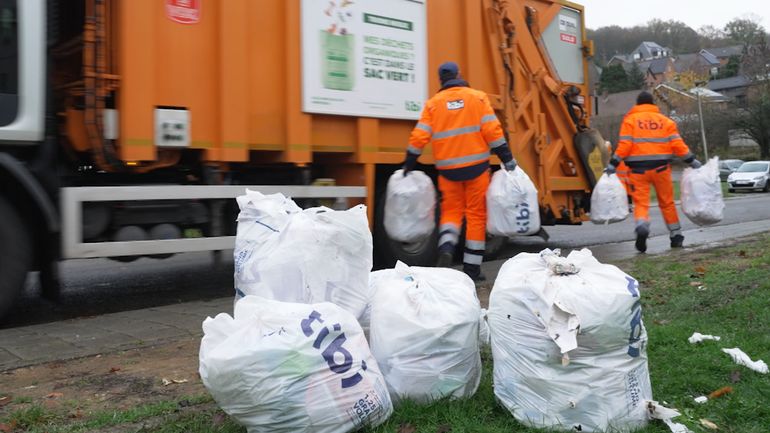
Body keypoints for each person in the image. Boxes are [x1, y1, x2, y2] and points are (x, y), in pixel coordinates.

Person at [402, 61, 517, 280]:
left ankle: (446, 248)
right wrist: (507, 158)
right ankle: (472, 269)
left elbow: (419, 136)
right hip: (477, 170)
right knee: (475, 216)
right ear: (458, 74)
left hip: (448, 172)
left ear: (441, 80)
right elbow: (493, 131)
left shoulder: (433, 104)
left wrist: (409, 164)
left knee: (451, 213)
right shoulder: (478, 98)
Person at [605, 91, 701, 253]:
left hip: (637, 171)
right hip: (662, 169)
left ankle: (642, 225)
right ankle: (676, 235)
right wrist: (692, 160)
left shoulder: (630, 120)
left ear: (637, 104)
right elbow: (678, 145)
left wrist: (613, 163)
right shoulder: (665, 121)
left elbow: (625, 145)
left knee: (641, 203)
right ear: (652, 103)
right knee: (667, 203)